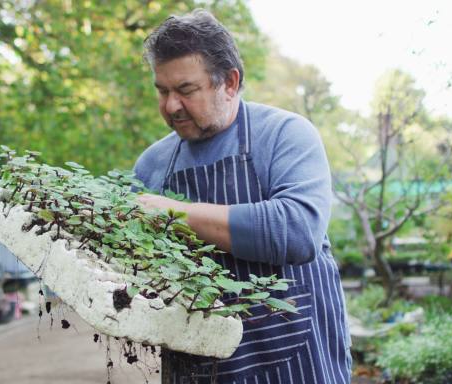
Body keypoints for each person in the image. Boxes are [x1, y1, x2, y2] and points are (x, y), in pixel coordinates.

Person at [134, 9, 351, 384]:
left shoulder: (285, 135)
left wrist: (174, 214)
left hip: (298, 366)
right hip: (199, 369)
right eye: (162, 91)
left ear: (230, 83)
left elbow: (297, 231)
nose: (171, 106)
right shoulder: (152, 165)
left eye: (186, 90)